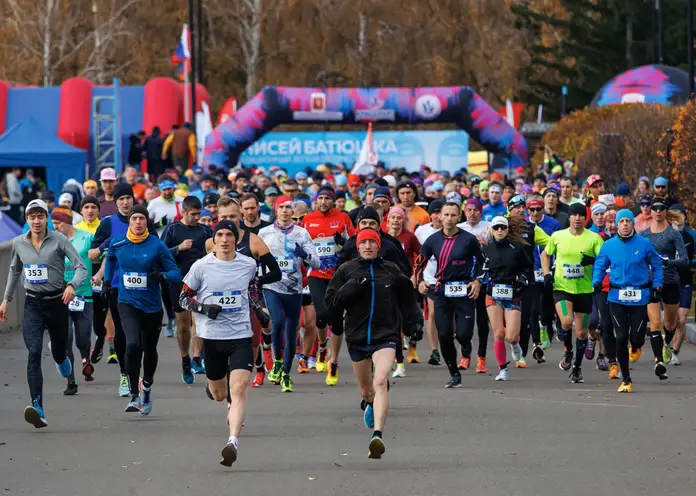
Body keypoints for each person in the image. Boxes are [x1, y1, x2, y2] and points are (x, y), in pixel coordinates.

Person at [325, 228, 422, 459]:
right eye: (364, 242)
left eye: (372, 242)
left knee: (380, 381)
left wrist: (415, 321)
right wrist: (349, 289)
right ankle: (369, 403)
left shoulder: (391, 270)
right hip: (357, 338)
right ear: (358, 247)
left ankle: (377, 436)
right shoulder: (347, 270)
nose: (368, 246)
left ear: (379, 246)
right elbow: (331, 303)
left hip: (386, 335)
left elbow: (408, 299)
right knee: (367, 390)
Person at [0, 199, 87, 428]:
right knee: (34, 352)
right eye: (32, 216)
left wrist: (71, 286)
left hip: (57, 302)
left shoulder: (59, 239)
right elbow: (14, 271)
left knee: (59, 352)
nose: (36, 221)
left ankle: (63, 361)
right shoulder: (19, 243)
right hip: (33, 305)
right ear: (27, 219)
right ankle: (37, 406)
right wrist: (6, 300)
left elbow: (81, 267)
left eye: (40, 216)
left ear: (46, 218)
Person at [180, 220, 258, 467]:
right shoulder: (201, 267)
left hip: (240, 336)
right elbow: (183, 298)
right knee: (219, 394)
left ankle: (232, 441)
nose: (225, 239)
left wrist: (259, 309)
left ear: (236, 239)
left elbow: (252, 292)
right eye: (220, 235)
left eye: (229, 235)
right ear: (214, 239)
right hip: (212, 338)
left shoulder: (248, 265)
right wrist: (203, 307)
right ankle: (213, 385)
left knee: (239, 388)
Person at [104, 205, 181, 414]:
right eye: (134, 218)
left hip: (152, 306)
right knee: (132, 344)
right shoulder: (118, 243)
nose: (138, 222)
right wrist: (107, 282)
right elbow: (110, 259)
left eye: (141, 219)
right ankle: (133, 394)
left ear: (146, 222)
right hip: (126, 301)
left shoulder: (157, 246)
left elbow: (176, 272)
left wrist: (162, 276)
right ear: (129, 222)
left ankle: (146, 386)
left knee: (149, 348)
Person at [592, 210, 663, 393]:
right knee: (621, 337)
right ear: (617, 224)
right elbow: (600, 265)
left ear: (633, 224)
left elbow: (656, 264)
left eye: (628, 221)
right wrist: (597, 281)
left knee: (636, 339)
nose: (624, 224)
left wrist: (657, 285)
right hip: (617, 297)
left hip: (639, 297)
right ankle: (626, 378)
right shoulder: (608, 246)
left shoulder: (644, 244)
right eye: (621, 221)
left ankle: (637, 347)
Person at [414, 202, 483, 388]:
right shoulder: (433, 240)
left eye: (453, 215)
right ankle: (454, 373)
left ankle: (466, 346)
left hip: (464, 292)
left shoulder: (469, 239)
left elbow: (483, 263)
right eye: (446, 215)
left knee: (463, 334)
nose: (449, 219)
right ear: (440, 217)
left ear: (458, 217)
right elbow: (419, 263)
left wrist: (477, 281)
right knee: (444, 334)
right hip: (442, 292)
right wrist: (420, 280)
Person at [214, 197, 281, 388]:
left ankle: (261, 359)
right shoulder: (212, 243)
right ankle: (246, 373)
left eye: (233, 216)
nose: (229, 220)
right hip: (222, 301)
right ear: (218, 217)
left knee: (254, 337)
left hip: (249, 298)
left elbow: (276, 273)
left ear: (241, 215)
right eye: (224, 216)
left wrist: (257, 281)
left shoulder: (254, 241)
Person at [258, 196, 320, 391]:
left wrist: (305, 255)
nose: (285, 210)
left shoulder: (302, 234)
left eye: (288, 207)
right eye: (281, 207)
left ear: (293, 211)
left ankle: (286, 373)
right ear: (276, 210)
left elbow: (316, 263)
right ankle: (276, 361)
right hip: (272, 286)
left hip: (294, 289)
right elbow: (255, 259)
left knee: (292, 331)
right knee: (276, 321)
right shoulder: (264, 232)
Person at [541, 202, 603, 384]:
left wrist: (593, 260)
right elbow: (546, 254)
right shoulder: (558, 236)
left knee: (582, 332)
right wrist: (546, 274)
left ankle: (576, 367)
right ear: (569, 217)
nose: (577, 218)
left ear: (586, 218)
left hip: (584, 290)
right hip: (562, 288)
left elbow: (604, 260)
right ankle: (568, 350)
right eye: (574, 215)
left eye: (581, 215)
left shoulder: (594, 238)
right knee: (567, 322)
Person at [301, 186, 355, 386]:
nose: (323, 201)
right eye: (320, 198)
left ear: (333, 201)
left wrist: (343, 243)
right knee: (321, 315)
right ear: (316, 200)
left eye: (327, 198)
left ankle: (334, 361)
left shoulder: (343, 218)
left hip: (337, 274)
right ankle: (322, 347)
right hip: (315, 273)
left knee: (336, 319)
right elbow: (303, 244)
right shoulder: (308, 219)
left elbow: (354, 242)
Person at [161, 196, 213, 382]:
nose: (196, 217)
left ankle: (198, 358)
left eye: (199, 214)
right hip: (180, 281)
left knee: (199, 321)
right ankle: (185, 357)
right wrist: (178, 248)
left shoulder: (205, 230)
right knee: (183, 324)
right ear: (183, 212)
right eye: (193, 214)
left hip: (202, 282)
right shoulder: (172, 229)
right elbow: (161, 254)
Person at [640, 197, 687, 377]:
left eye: (661, 208)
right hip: (651, 282)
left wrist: (669, 262)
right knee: (655, 323)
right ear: (650, 211)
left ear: (665, 211)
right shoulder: (644, 235)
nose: (658, 211)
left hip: (670, 282)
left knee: (669, 323)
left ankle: (667, 344)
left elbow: (684, 260)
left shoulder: (674, 235)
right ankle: (659, 361)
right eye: (655, 208)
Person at [482, 216, 533, 381]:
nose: (499, 231)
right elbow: (480, 269)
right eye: (496, 227)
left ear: (507, 230)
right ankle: (502, 369)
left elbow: (527, 268)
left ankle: (515, 344)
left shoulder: (516, 248)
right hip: (492, 294)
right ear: (492, 230)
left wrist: (521, 282)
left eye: (502, 228)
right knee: (498, 333)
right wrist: (482, 283)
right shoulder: (486, 248)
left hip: (512, 293)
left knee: (510, 335)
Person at [51, 207, 95, 395]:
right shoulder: (51, 240)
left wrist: (100, 276)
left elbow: (100, 258)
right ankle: (71, 381)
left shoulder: (86, 237)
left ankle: (86, 357)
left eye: (58, 223)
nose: (55, 227)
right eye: (52, 223)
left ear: (68, 221)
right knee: (66, 338)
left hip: (83, 294)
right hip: (60, 297)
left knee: (83, 336)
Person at [457, 197, 492, 373]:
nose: (472, 213)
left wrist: (487, 245)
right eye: (469, 209)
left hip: (483, 279)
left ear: (481, 211)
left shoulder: (489, 228)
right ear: (464, 211)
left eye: (476, 210)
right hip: (463, 279)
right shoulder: (459, 229)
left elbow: (496, 250)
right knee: (463, 323)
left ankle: (482, 357)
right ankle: (465, 354)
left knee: (482, 322)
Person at [526, 195, 561, 358]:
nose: (534, 213)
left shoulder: (553, 224)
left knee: (547, 308)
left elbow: (559, 245)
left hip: (548, 269)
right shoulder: (524, 225)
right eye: (531, 210)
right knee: (533, 308)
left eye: (538, 209)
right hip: (532, 270)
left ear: (543, 209)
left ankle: (546, 323)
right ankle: (536, 344)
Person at [414, 199, 444, 367]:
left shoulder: (457, 231)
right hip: (430, 279)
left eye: (442, 213)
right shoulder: (421, 232)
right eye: (435, 213)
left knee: (448, 317)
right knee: (432, 313)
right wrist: (419, 279)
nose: (438, 217)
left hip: (450, 280)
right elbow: (416, 258)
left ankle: (448, 339)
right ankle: (434, 350)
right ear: (430, 215)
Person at [668, 204, 694, 364]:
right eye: (674, 215)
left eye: (680, 214)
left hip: (685, 281)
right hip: (668, 282)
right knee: (670, 322)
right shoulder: (665, 235)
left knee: (682, 319)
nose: (678, 218)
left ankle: (675, 352)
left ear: (685, 217)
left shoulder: (691, 237)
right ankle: (666, 347)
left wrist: (689, 263)